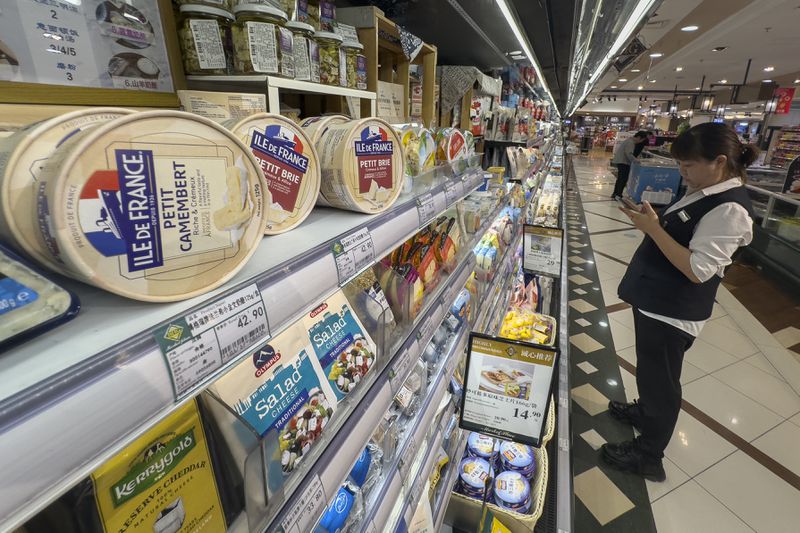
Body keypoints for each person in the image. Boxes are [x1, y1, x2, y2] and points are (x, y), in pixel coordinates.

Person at [601, 123, 757, 481]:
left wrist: (653, 230)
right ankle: (645, 414)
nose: (683, 173)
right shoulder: (705, 190)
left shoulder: (730, 209)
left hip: (673, 310)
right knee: (651, 372)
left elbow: (698, 269)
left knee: (662, 383)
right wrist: (654, 222)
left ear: (719, 162)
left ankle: (649, 455)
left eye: (688, 166)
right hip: (657, 299)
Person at [611, 131, 649, 199]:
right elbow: (629, 154)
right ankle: (618, 194)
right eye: (642, 140)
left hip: (622, 162)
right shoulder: (630, 143)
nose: (640, 142)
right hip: (623, 162)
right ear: (639, 137)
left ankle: (616, 193)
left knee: (620, 179)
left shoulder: (629, 141)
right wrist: (636, 161)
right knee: (623, 179)